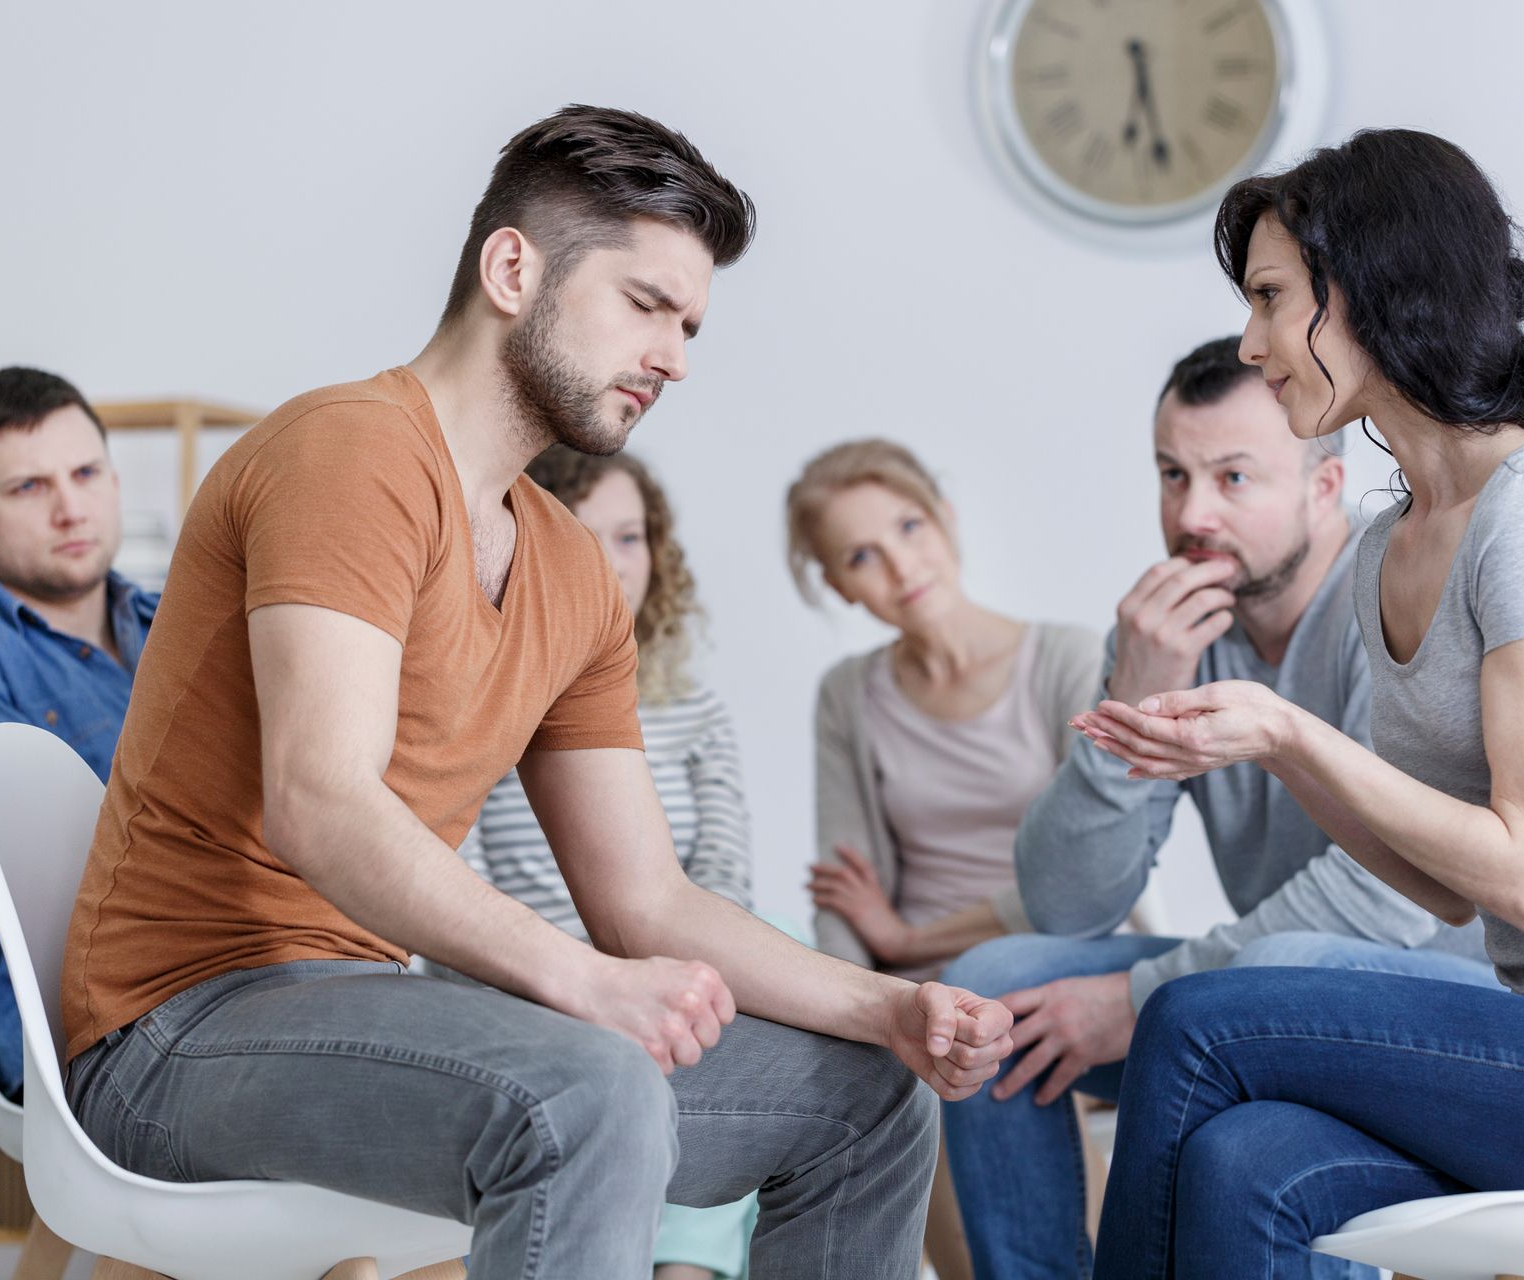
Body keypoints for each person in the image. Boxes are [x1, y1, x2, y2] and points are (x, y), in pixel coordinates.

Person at [58, 105, 1012, 1280]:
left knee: (865, 1094)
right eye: (645, 304)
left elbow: (647, 900)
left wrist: (884, 1007)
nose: (675, 354)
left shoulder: (570, 567)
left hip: (364, 1019)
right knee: (589, 1086)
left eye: (691, 324)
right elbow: (321, 802)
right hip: (175, 1034)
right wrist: (587, 986)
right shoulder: (349, 452)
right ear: (513, 268)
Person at [1075, 128, 1524, 1279]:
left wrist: (1284, 728)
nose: (1252, 342)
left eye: (1271, 299)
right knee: (1241, 1163)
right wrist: (1271, 753)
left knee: (1194, 1016)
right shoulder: (1389, 547)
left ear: (1370, 291)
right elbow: (1430, 876)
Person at [940, 337, 1493, 1279]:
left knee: (1278, 988)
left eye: (1234, 477)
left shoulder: (1400, 595)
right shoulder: (1171, 631)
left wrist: (1136, 1002)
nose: (1191, 514)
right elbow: (1068, 903)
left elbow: (1391, 902)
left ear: (1324, 486)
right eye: (1172, 474)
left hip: (1455, 1010)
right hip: (1265, 991)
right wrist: (1135, 700)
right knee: (994, 989)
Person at [786, 437, 1102, 1280]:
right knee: (888, 1080)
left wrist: (901, 936)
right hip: (927, 997)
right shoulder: (849, 697)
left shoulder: (1067, 661)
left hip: (1050, 967)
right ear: (838, 585)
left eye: (909, 527)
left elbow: (1085, 890)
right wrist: (853, 1013)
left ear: (948, 522)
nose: (899, 565)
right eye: (861, 555)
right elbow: (840, 899)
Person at [451, 445, 760, 1280]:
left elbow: (726, 871)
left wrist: (673, 963)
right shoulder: (492, 702)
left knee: (761, 982)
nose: (615, 564)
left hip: (676, 944)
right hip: (542, 967)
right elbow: (458, 878)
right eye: (588, 538)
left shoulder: (695, 708)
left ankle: (684, 1268)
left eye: (631, 537)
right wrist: (587, 976)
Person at [0, 366, 156, 1099]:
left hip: (232, 977)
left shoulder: (184, 623)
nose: (70, 509)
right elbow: (54, 881)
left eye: (86, 473)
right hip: (87, 1029)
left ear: (115, 482)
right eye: (28, 487)